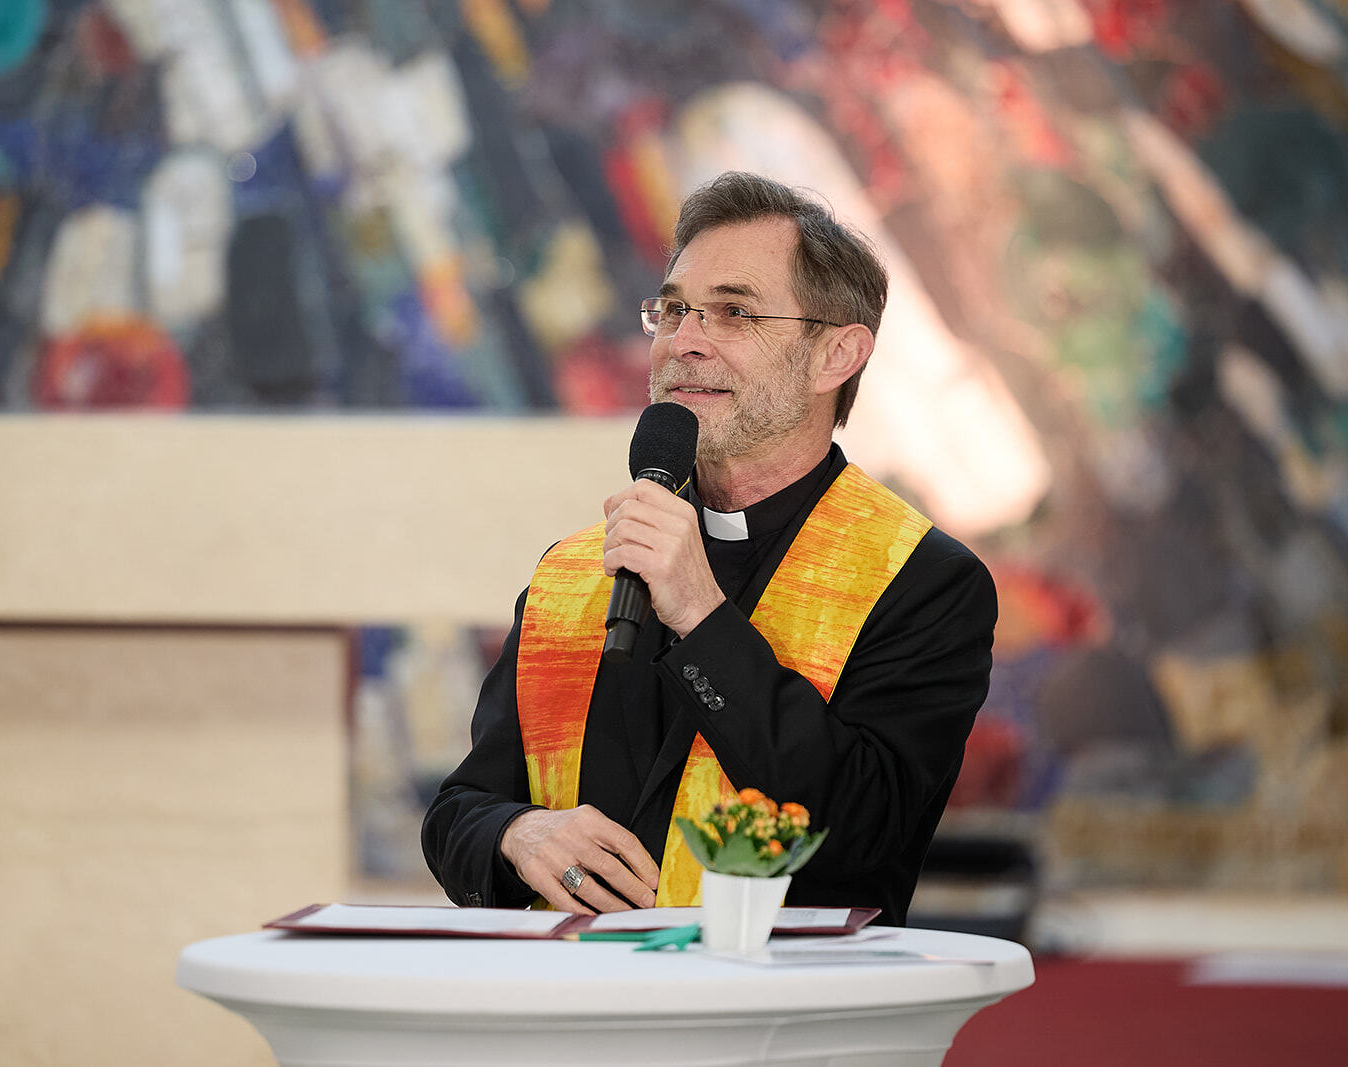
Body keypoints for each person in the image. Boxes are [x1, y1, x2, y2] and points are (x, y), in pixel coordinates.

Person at [422, 171, 997, 925]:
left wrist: (702, 616)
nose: (684, 342)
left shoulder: (924, 582)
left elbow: (864, 838)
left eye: (733, 313)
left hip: (782, 992)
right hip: (571, 990)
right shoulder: (575, 573)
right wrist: (518, 833)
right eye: (672, 310)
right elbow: (461, 810)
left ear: (836, 355)